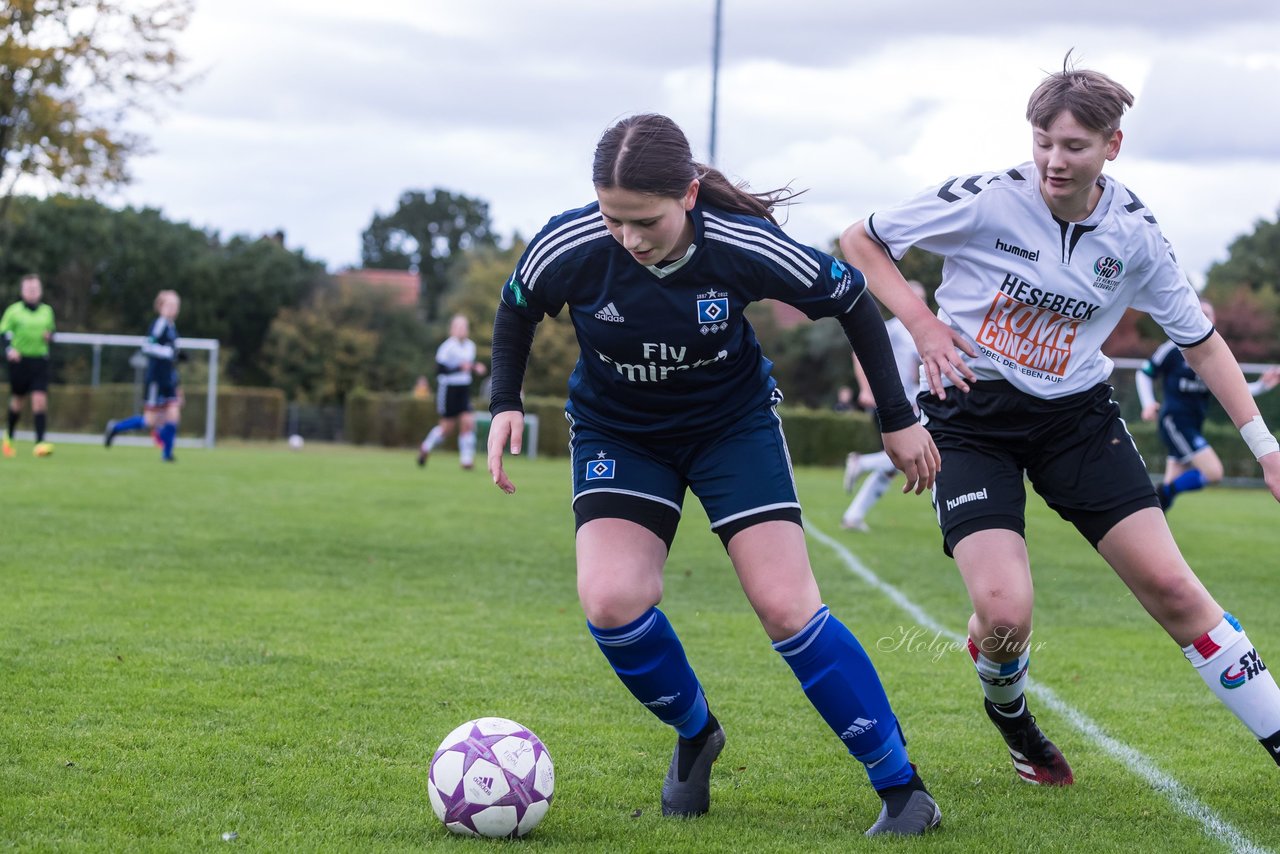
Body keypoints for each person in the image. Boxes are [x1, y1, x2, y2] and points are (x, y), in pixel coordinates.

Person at [485, 113, 943, 836]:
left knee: (787, 608)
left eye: (647, 222)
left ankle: (903, 788)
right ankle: (697, 732)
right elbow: (516, 307)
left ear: (690, 196)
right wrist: (504, 402)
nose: (629, 240)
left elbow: (850, 295)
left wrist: (896, 416)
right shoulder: (569, 243)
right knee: (610, 600)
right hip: (620, 433)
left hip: (731, 430)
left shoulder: (740, 246)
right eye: (614, 220)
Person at [840, 53, 1280, 786]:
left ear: (1112, 146)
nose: (1052, 159)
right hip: (970, 414)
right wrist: (921, 324)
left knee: (1176, 591)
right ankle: (1013, 719)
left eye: (1073, 145)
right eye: (1042, 140)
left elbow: (1202, 345)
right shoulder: (986, 197)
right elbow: (861, 240)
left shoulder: (1135, 234)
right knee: (1005, 615)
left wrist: (1265, 448)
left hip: (1078, 419)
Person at [1136, 298, 1280, 511]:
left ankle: (1153, 519)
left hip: (1193, 425)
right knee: (1214, 472)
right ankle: (1164, 493)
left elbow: (1232, 388)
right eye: (1199, 312)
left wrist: (1262, 385)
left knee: (1162, 500)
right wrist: (1148, 403)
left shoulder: (1212, 352)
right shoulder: (1172, 347)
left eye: (1208, 314)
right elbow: (1145, 373)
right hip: (1174, 421)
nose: (1203, 317)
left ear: (1214, 320)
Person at [841, 280, 928, 532]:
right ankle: (861, 463)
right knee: (910, 455)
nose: (920, 303)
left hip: (912, 401)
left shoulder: (915, 331)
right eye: (916, 297)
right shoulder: (894, 328)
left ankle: (853, 517)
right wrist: (866, 390)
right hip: (897, 405)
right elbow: (858, 351)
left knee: (897, 464)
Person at [104, 290, 183, 462]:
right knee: (149, 421)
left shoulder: (171, 327)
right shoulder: (160, 324)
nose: (172, 309)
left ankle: (167, 454)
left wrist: (177, 375)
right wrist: (167, 352)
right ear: (160, 307)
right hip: (155, 379)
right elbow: (147, 346)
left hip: (169, 380)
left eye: (175, 305)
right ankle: (116, 427)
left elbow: (171, 357)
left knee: (174, 414)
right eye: (168, 305)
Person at [417, 314, 487, 469]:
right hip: (448, 389)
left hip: (464, 388)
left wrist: (476, 367)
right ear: (452, 329)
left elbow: (467, 365)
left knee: (468, 422)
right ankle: (426, 446)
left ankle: (466, 460)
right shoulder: (447, 347)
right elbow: (440, 370)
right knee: (446, 429)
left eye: (465, 327)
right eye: (459, 327)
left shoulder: (470, 346)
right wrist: (458, 368)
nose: (462, 330)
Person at [1, 274, 57, 458]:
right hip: (20, 361)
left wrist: (49, 337)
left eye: (35, 289)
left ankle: (40, 442)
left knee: (40, 400)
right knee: (17, 401)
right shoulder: (14, 311)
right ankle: (8, 437)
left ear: (40, 291)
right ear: (23, 291)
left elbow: (52, 333)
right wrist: (10, 350)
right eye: (29, 289)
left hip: (39, 361)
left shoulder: (47, 312)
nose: (32, 293)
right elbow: (4, 333)